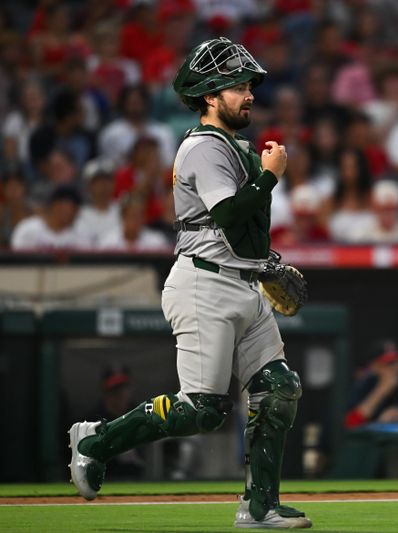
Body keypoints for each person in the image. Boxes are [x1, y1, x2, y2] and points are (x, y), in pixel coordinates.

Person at [67, 37, 312, 529]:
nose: (248, 94)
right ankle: (96, 440)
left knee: (278, 387)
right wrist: (269, 178)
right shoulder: (201, 147)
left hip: (242, 284)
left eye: (247, 85)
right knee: (201, 410)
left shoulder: (232, 146)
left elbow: (240, 232)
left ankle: (260, 507)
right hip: (203, 285)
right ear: (209, 97)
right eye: (236, 87)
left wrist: (263, 266)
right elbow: (225, 214)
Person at [84, 366, 144, 480]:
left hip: (140, 480)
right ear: (105, 391)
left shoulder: (141, 414)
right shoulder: (93, 421)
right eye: (115, 389)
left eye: (124, 388)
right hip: (106, 480)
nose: (120, 394)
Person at [97, 84, 176, 169]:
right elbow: (108, 167)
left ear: (146, 103)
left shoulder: (163, 132)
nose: (135, 106)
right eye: (132, 102)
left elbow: (169, 163)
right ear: (123, 104)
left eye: (139, 102)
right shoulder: (111, 134)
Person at [10, 184, 86, 251]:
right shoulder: (28, 229)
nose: (76, 212)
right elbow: (17, 262)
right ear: (56, 205)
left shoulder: (80, 233)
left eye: (77, 208)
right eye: (73, 207)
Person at [348, 180, 398, 244]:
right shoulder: (359, 235)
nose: (389, 214)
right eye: (384, 209)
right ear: (374, 207)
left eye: (393, 209)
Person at [98, 194, 171, 252]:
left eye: (140, 216)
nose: (136, 220)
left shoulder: (157, 242)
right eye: (132, 215)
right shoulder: (107, 243)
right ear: (123, 217)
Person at [74, 158, 120, 247]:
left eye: (107, 180)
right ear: (88, 186)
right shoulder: (79, 214)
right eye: (98, 181)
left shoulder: (123, 211)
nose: (103, 185)